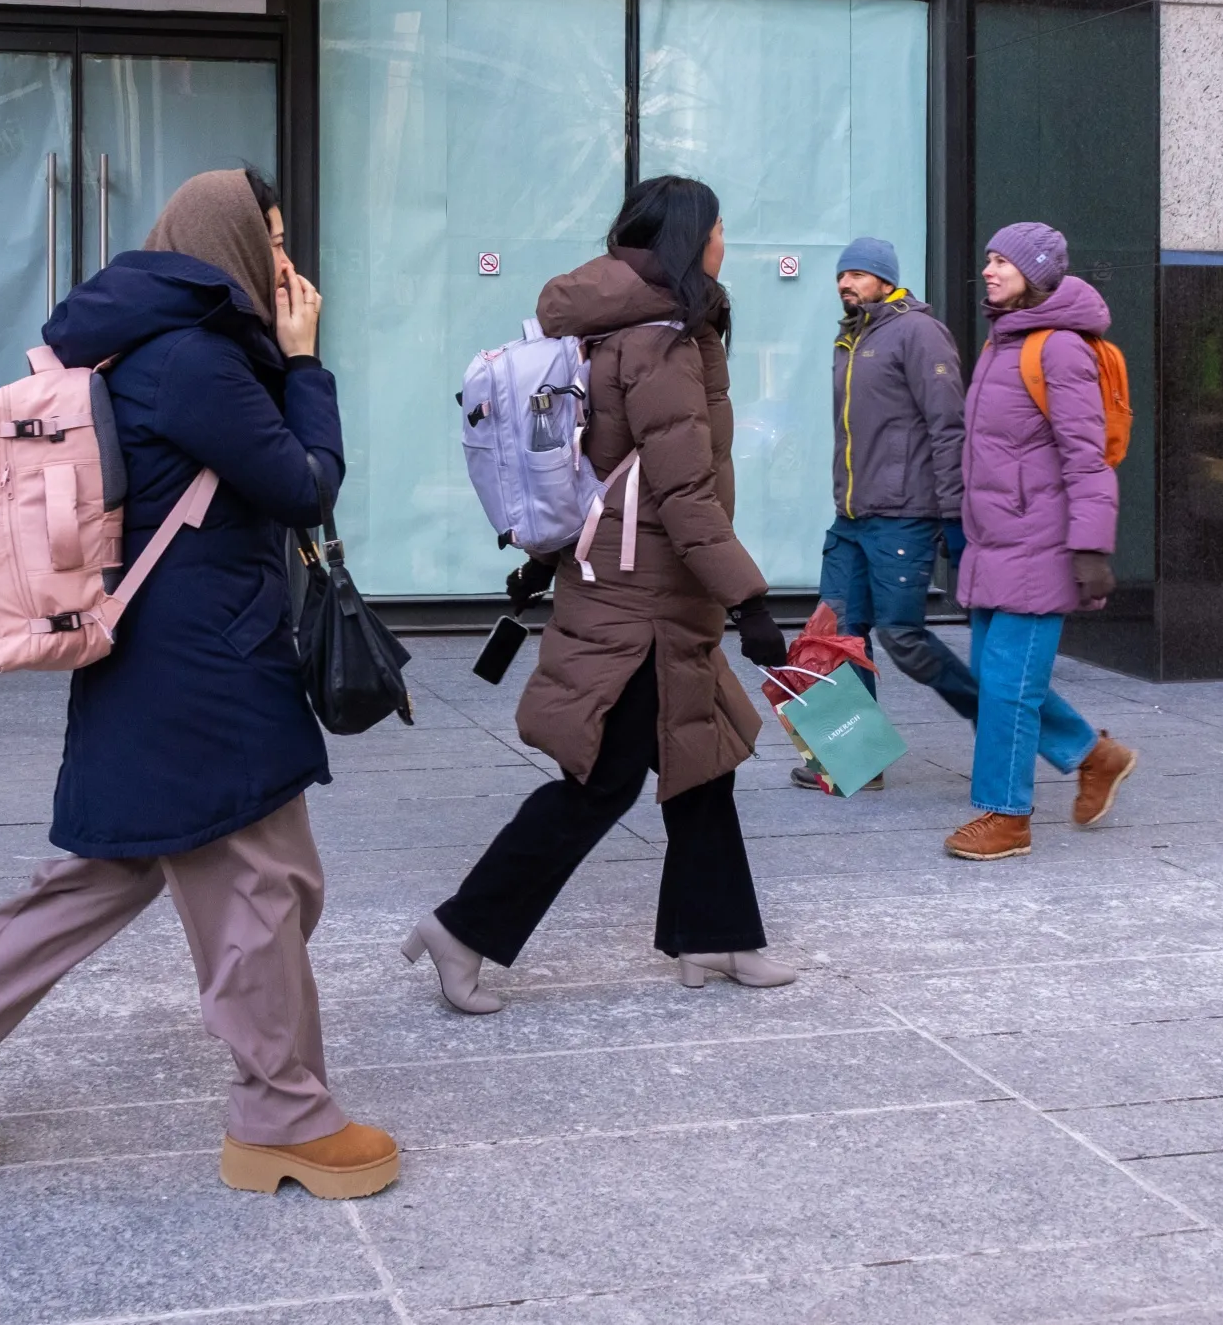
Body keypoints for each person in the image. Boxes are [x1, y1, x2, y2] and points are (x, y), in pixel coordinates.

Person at [0, 169, 399, 1201]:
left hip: (158, 654)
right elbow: (304, 484)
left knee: (108, 871)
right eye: (269, 243)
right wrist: (303, 364)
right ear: (224, 247)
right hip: (205, 668)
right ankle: (283, 1113)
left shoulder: (149, 343)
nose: (284, 267)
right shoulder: (196, 359)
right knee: (262, 885)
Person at [403, 176, 798, 1014]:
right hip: (645, 609)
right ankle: (463, 930)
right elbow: (683, 494)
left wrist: (548, 565)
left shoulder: (611, 330)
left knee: (702, 763)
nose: (727, 241)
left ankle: (714, 936)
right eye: (720, 228)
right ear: (693, 239)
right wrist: (751, 603)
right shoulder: (661, 343)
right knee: (603, 781)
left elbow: (596, 470)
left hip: (630, 590)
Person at [945, 221, 1137, 861]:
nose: (990, 270)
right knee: (992, 676)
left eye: (1004, 261)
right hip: (994, 541)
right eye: (989, 259)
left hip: (1043, 544)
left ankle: (1005, 815)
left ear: (1038, 272)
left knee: (1006, 687)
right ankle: (1092, 754)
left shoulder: (1058, 349)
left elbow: (1086, 460)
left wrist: (1090, 549)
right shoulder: (1004, 342)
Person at [798, 236, 978, 793]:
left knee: (903, 637)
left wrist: (954, 517)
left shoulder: (919, 332)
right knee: (838, 633)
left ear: (884, 279)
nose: (844, 283)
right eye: (840, 275)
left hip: (904, 516)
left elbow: (949, 428)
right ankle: (855, 759)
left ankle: (997, 718)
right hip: (851, 517)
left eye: (856, 274)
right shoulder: (851, 338)